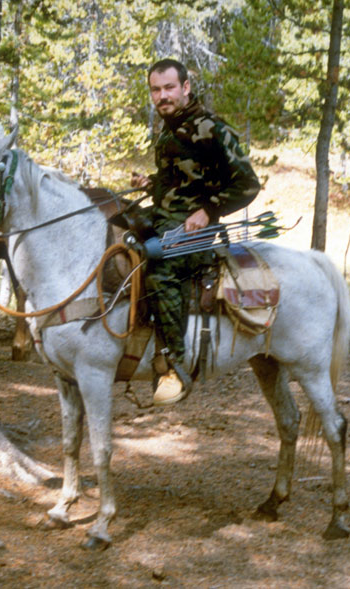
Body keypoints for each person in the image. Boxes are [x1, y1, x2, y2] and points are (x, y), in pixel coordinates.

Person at [132, 58, 261, 406]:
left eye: (169, 88)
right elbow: (184, 181)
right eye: (156, 90)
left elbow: (248, 184)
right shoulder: (171, 127)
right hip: (165, 218)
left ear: (186, 87)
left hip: (197, 233)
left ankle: (175, 366)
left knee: (160, 270)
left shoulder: (211, 127)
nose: (162, 96)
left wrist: (208, 211)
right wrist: (152, 184)